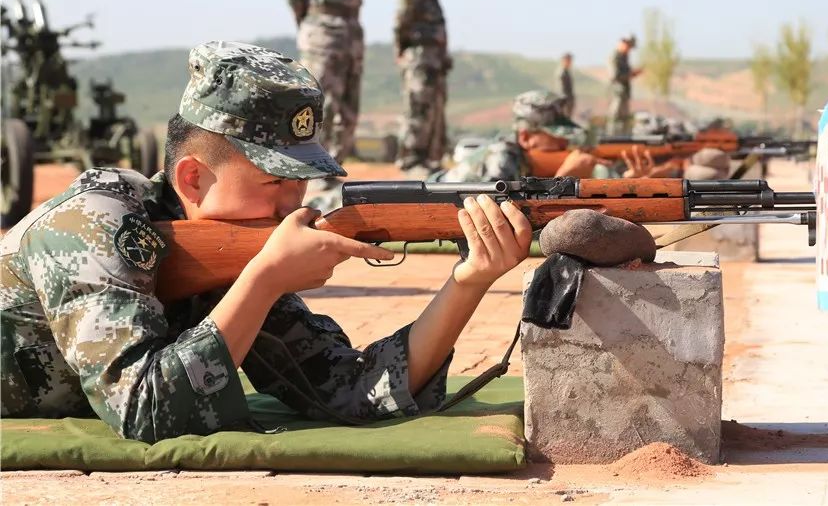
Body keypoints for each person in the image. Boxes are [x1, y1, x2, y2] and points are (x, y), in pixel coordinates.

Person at [0, 41, 532, 443]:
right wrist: (264, 278)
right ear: (192, 179)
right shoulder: (93, 226)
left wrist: (469, 281)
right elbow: (147, 412)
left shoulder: (229, 250)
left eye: (300, 183)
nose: (291, 206)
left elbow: (350, 389)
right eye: (273, 182)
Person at [288, 0, 366, 162]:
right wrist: (311, 27)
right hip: (321, 37)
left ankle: (333, 164)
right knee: (318, 102)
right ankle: (312, 165)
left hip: (351, 37)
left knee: (348, 107)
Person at [436, 90, 655, 183]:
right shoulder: (501, 157)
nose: (564, 142)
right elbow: (509, 222)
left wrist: (628, 184)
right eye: (555, 135)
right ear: (525, 137)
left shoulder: (525, 159)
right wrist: (564, 177)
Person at [394, 0, 450, 175]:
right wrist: (403, 51)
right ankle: (411, 159)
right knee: (417, 108)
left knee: (434, 109)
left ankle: (429, 159)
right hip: (418, 59)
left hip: (434, 61)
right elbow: (401, 23)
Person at [607, 34, 641, 136]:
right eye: (628, 46)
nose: (629, 49)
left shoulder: (624, 57)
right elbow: (615, 76)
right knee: (615, 116)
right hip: (617, 91)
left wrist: (633, 74)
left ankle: (623, 136)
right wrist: (631, 74)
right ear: (623, 44)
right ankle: (611, 136)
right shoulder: (615, 57)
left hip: (624, 91)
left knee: (624, 117)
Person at [553, 52, 575, 118]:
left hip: (567, 100)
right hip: (564, 101)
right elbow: (562, 90)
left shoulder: (566, 71)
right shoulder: (562, 72)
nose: (570, 62)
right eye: (568, 60)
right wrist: (565, 101)